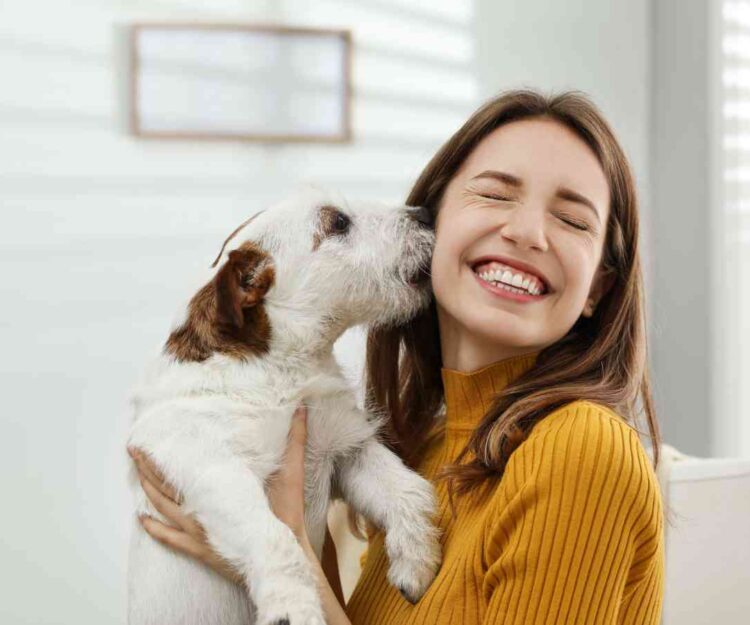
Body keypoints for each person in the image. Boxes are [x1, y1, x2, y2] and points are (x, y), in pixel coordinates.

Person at [130, 89, 665, 624]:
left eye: (573, 220)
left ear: (598, 286)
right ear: (434, 219)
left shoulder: (582, 450)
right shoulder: (428, 449)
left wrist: (286, 548)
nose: (526, 232)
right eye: (496, 195)